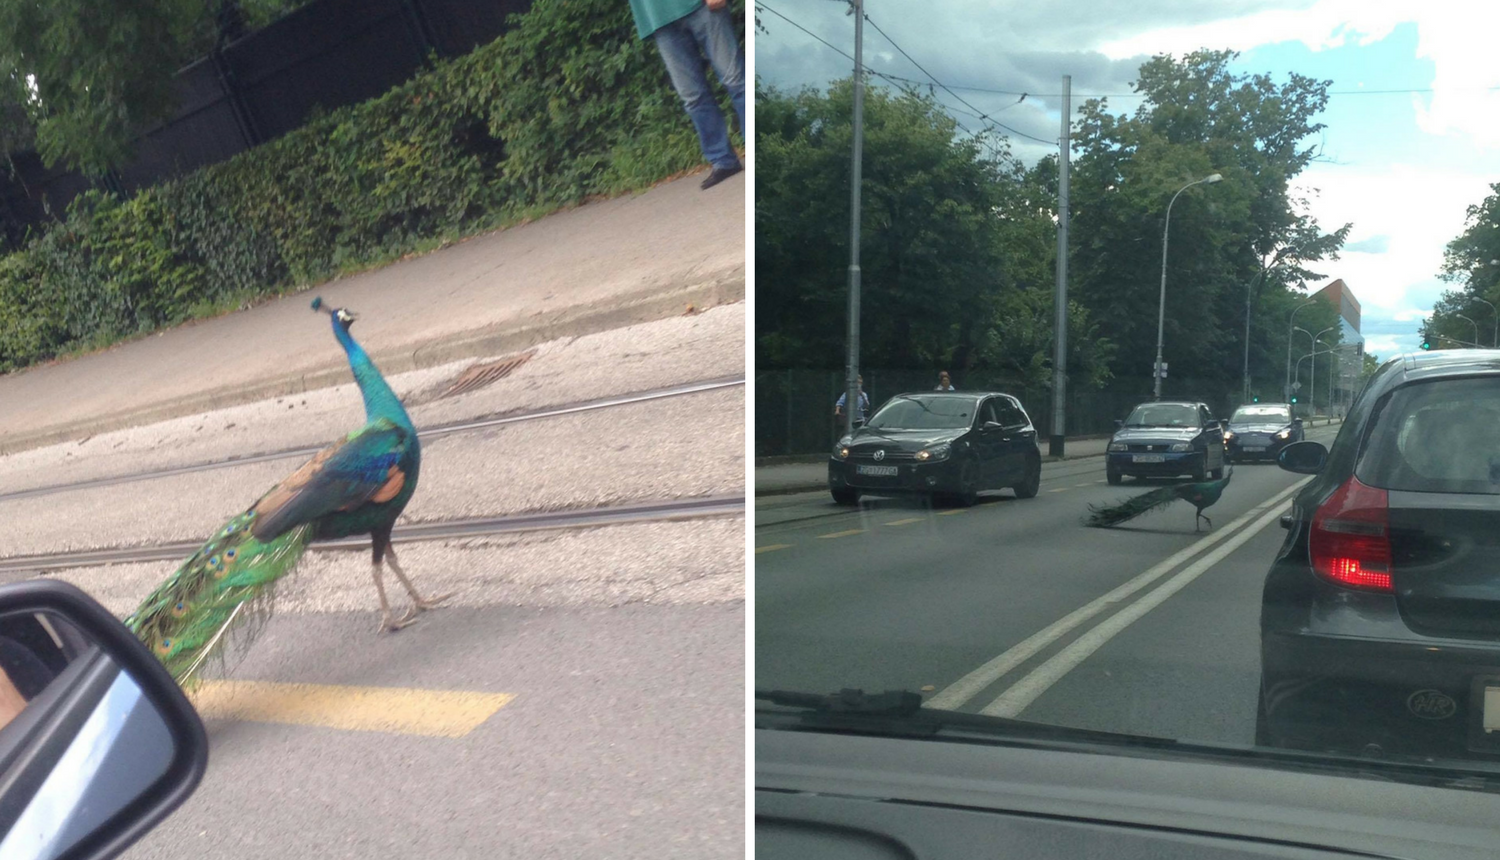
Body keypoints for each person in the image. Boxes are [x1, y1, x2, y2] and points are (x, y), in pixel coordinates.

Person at [627, 0, 746, 190]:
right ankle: (723, 160)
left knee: (737, 81)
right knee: (693, 97)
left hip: (700, 6)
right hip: (659, 19)